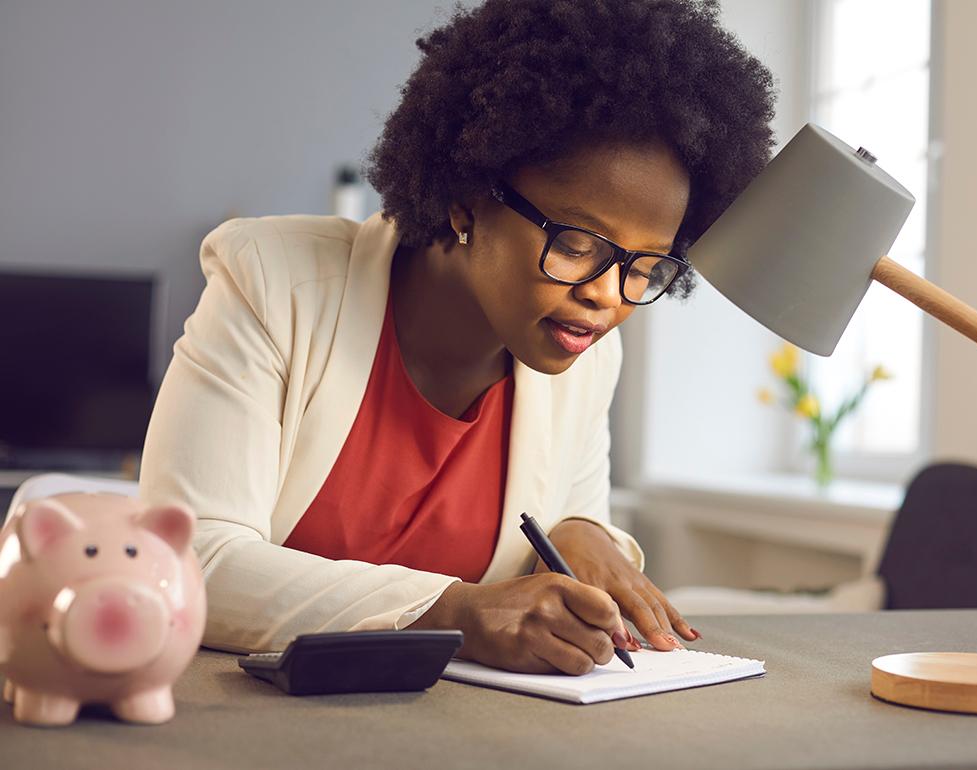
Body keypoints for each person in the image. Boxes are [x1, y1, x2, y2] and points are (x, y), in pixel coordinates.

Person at [139, 0, 775, 676]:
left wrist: (583, 533)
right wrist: (454, 612)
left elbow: (567, 518)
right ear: (467, 198)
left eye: (644, 265)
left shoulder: (587, 352)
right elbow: (190, 556)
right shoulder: (275, 282)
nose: (607, 295)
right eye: (579, 242)